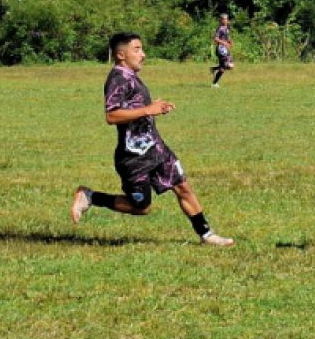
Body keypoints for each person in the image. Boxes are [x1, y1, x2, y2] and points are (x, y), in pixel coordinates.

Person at [71, 32, 234, 247]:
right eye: (137, 49)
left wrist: (154, 108)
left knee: (182, 186)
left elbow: (135, 108)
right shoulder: (117, 78)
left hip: (156, 148)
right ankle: (90, 196)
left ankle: (206, 234)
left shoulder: (131, 76)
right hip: (134, 157)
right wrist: (149, 109)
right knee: (141, 207)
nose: (143, 54)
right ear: (121, 55)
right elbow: (112, 115)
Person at [211, 13, 234, 88]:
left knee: (230, 66)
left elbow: (226, 37)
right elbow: (216, 39)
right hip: (221, 50)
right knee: (225, 67)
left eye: (226, 19)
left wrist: (229, 41)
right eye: (224, 19)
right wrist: (224, 43)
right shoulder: (220, 28)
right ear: (220, 20)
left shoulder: (227, 27)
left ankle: (214, 69)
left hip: (225, 49)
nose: (225, 20)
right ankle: (214, 83)